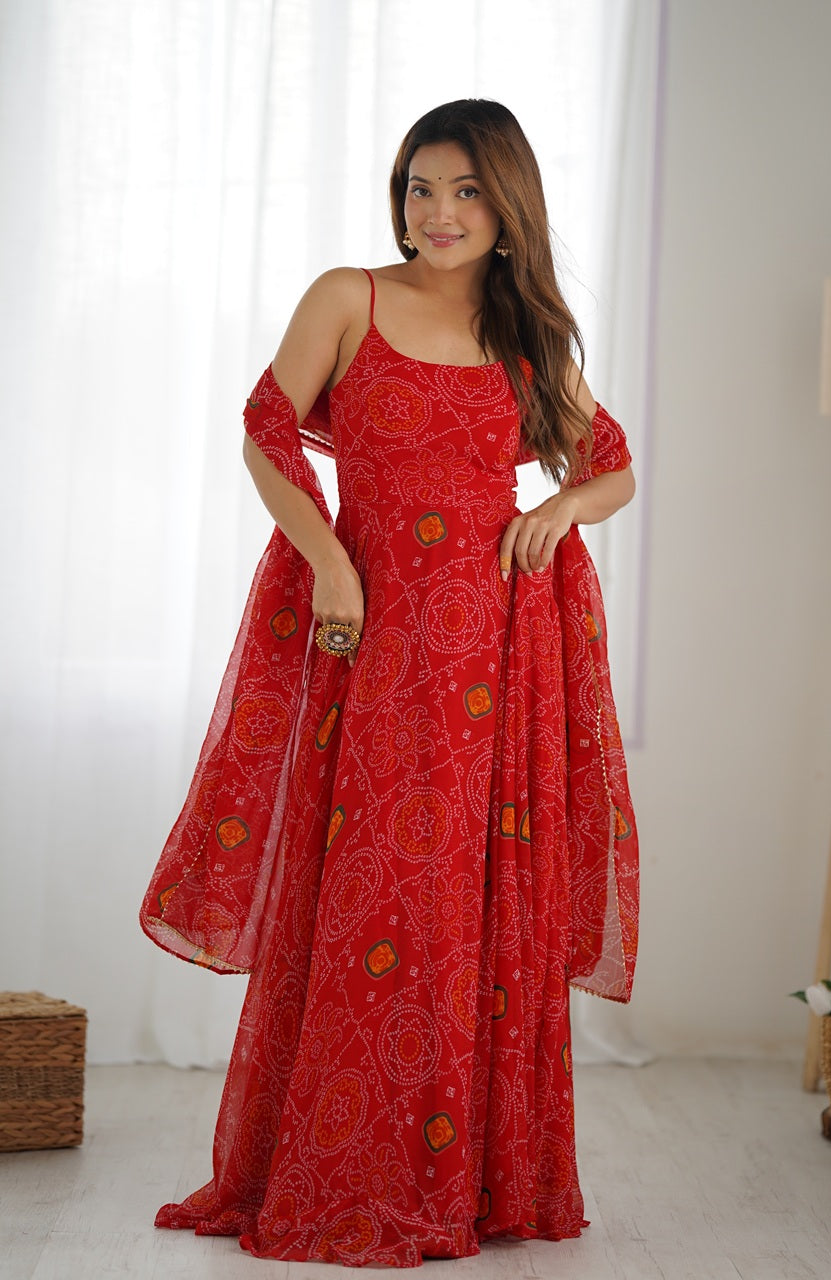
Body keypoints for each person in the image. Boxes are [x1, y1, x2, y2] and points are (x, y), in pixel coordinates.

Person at [140, 98, 639, 1269]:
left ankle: (466, 1176)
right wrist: (328, 563)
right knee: (369, 890)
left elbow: (612, 466)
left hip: (491, 657)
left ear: (507, 208)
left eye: (466, 191)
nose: (438, 211)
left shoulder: (526, 340)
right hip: (369, 636)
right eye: (421, 186)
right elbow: (267, 433)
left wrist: (559, 506)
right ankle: (343, 1162)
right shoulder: (348, 296)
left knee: (466, 898)